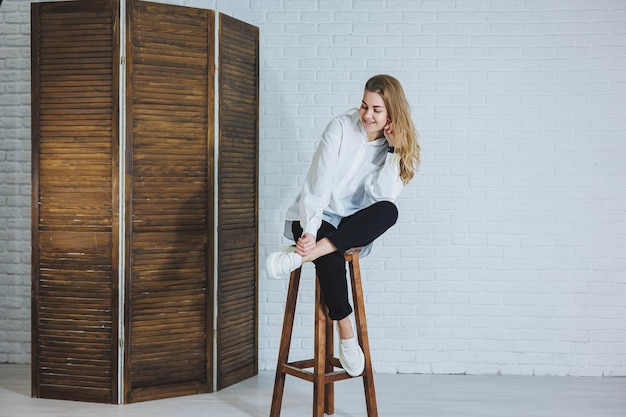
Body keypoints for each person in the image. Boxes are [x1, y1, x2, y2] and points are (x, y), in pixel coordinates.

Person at [267, 74, 421, 377]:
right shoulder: (340, 128)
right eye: (364, 106)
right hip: (314, 216)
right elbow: (317, 184)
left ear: (392, 113)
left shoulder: (393, 146)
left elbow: (382, 197)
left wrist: (394, 151)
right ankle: (346, 332)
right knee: (330, 250)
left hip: (348, 226)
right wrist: (309, 233)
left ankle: (298, 259)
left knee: (389, 211)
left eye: (377, 110)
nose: (367, 115)